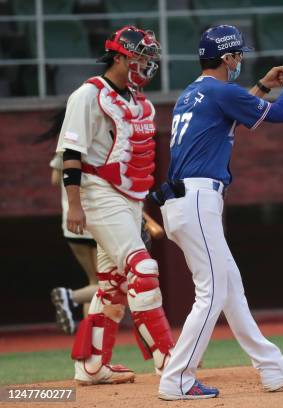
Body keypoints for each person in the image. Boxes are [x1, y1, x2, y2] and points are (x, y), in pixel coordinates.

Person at [155, 25, 283, 400]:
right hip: (196, 199)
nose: (239, 60)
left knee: (230, 288)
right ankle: (176, 379)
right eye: (237, 55)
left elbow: (232, 113)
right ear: (226, 58)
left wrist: (262, 86)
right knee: (210, 293)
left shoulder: (194, 92)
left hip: (184, 200)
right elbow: (277, 117)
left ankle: (272, 367)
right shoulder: (218, 91)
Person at [55, 25, 175, 385]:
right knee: (143, 270)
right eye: (141, 57)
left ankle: (91, 365)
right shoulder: (89, 95)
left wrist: (138, 209)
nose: (147, 64)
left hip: (128, 200)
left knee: (112, 284)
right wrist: (74, 205)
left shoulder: (137, 100)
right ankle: (169, 361)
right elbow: (71, 154)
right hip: (96, 194)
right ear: (120, 56)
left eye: (150, 58)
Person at [49, 152, 98, 335]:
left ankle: (89, 340)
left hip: (70, 223)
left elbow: (55, 179)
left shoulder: (63, 148)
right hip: (95, 220)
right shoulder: (98, 143)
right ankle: (70, 297)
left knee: (94, 282)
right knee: (110, 284)